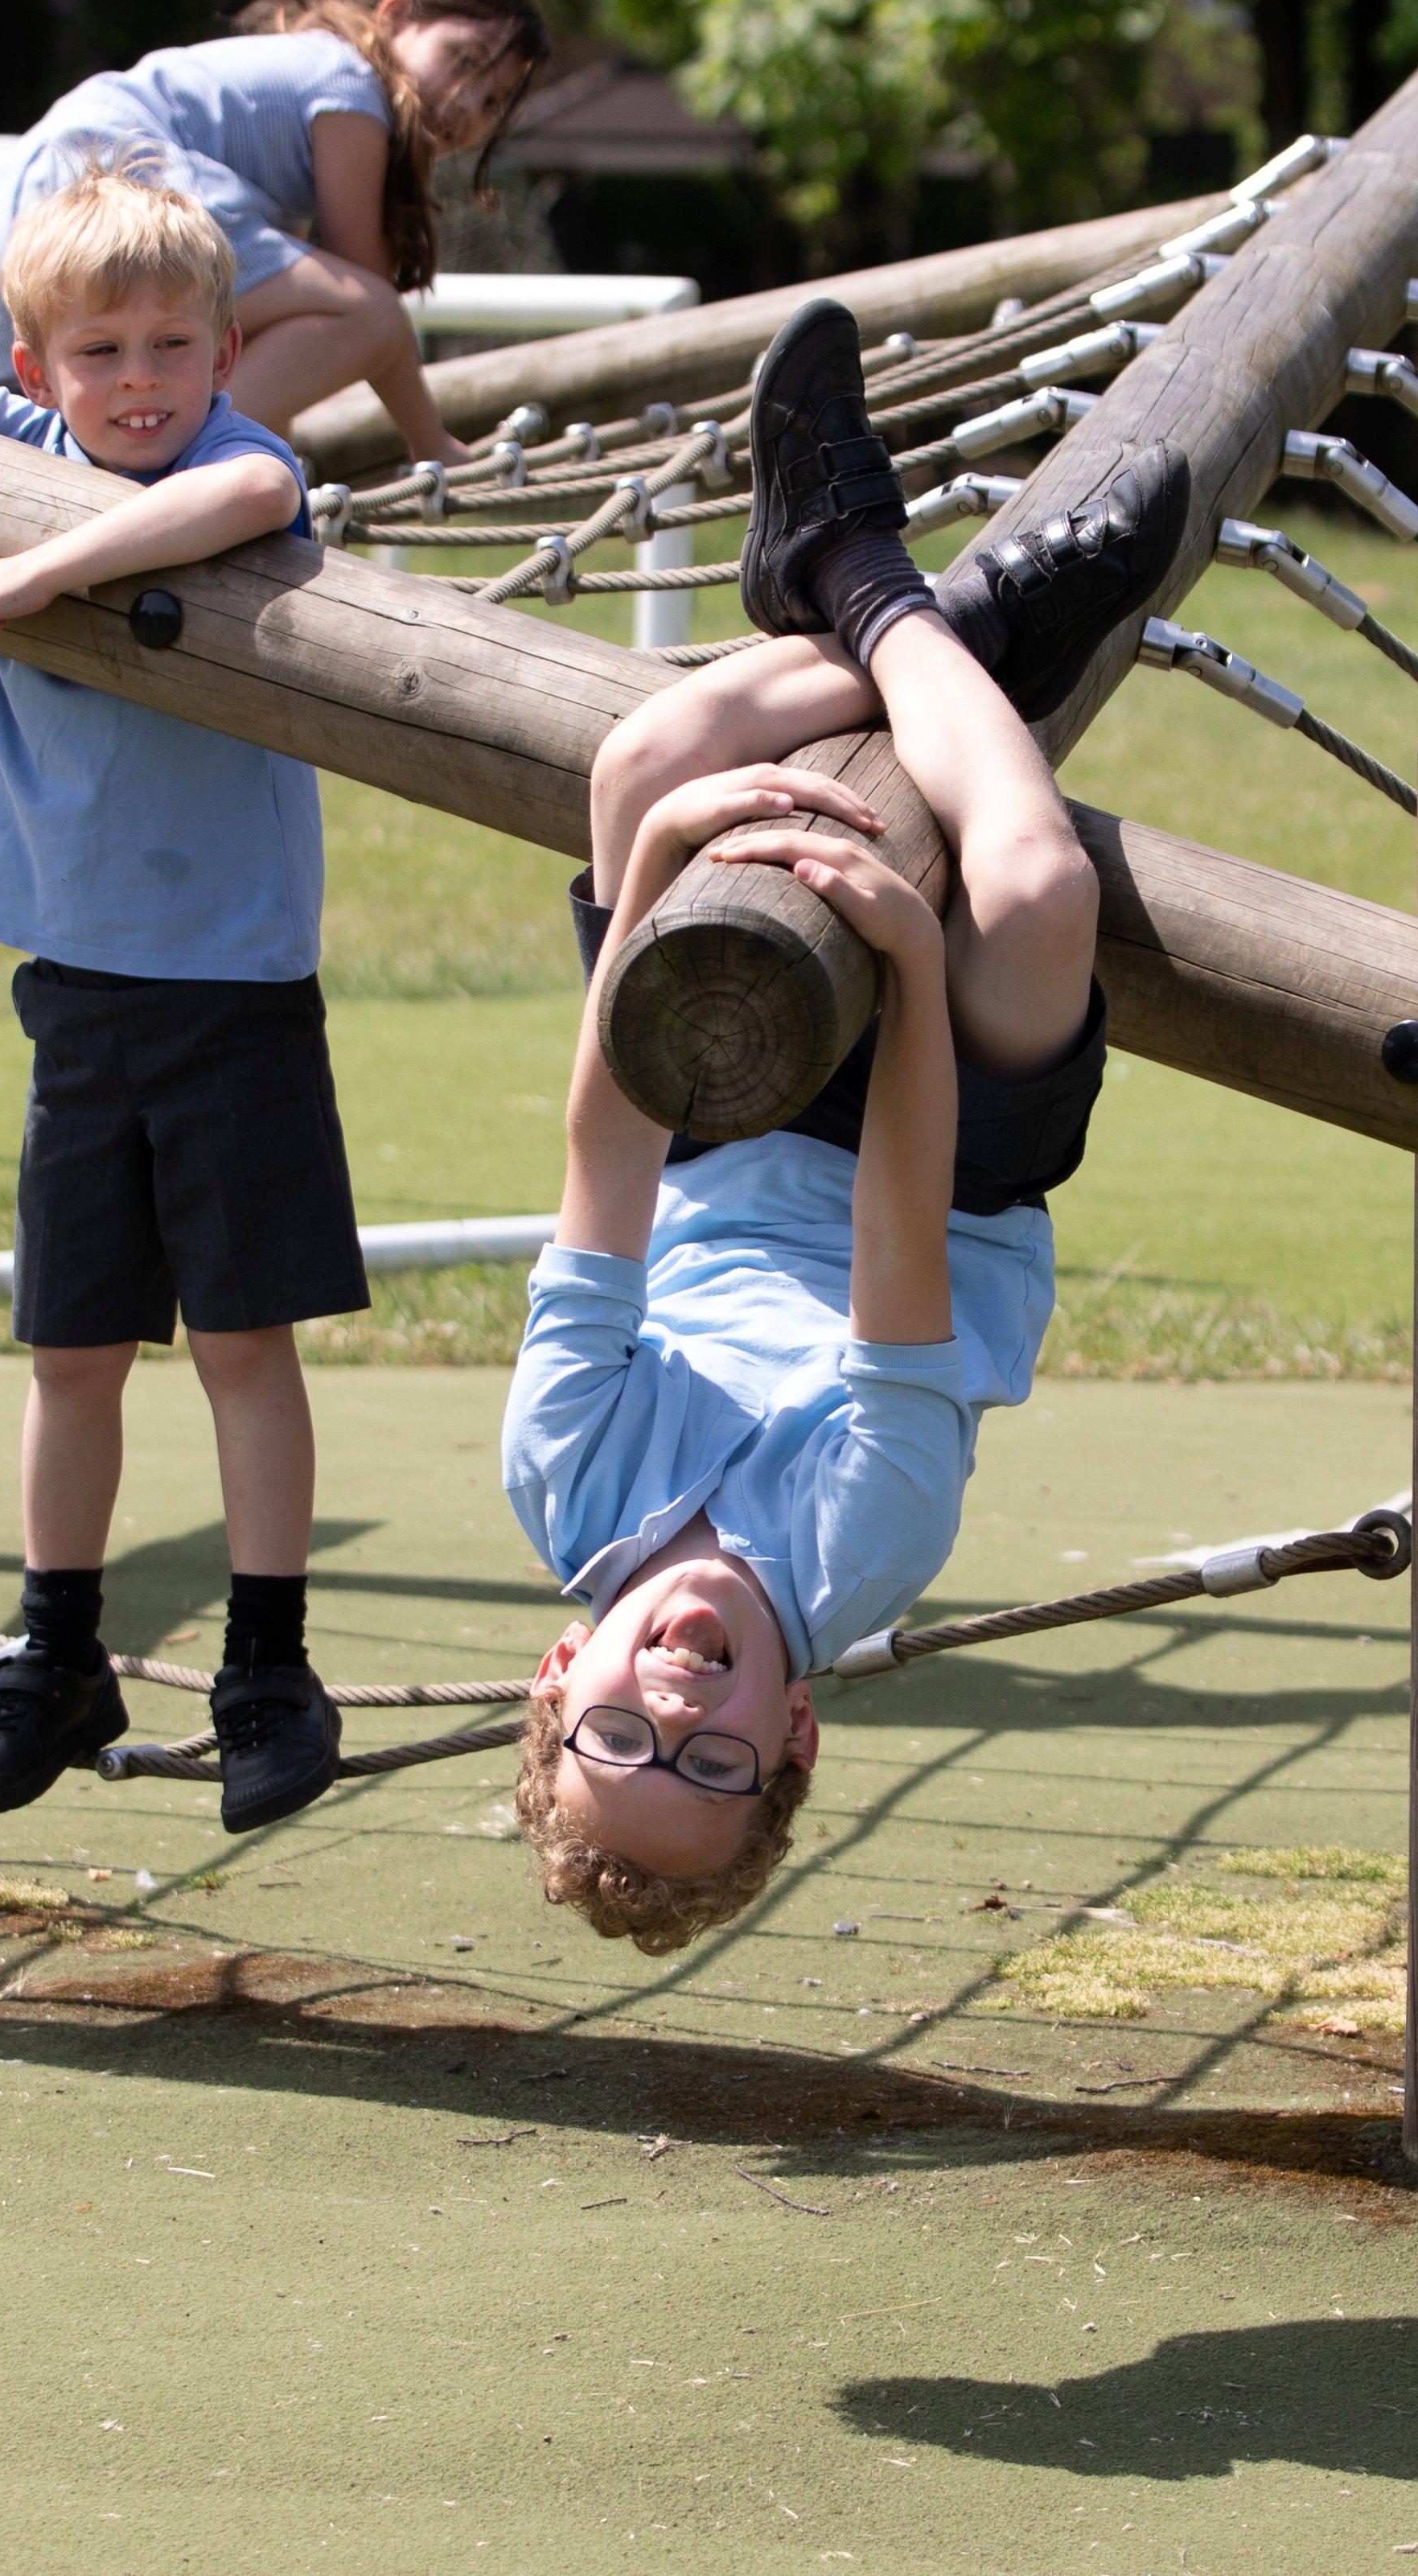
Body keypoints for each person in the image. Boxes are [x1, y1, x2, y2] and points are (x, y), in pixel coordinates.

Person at [496, 299, 1192, 1951]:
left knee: (649, 751)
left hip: (719, 1122)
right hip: (947, 1190)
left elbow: (605, 1164)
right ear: (792, 1735)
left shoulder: (562, 1482)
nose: (672, 1701)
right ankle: (915, 606)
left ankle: (878, 590)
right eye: (713, 1758)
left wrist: (658, 852)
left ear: (559, 1677)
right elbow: (898, 1238)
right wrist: (898, 947)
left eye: (616, 1733)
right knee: (1028, 886)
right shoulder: (859, 1550)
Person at [0, 158, 370, 1836]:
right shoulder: (13, 447)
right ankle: (56, 1649)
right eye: (98, 353)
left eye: (169, 347)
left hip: (233, 991)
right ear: (34, 362)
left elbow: (241, 504)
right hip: (74, 991)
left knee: (240, 1342)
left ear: (220, 351)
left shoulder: (230, 461)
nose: (136, 384)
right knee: (67, 1350)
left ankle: (267, 1664)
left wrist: (38, 575)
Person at [0, 0, 549, 468]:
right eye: (463, 59)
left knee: (48, 427)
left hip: (0, 204)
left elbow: (291, 323)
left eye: (493, 103)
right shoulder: (350, 84)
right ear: (395, 15)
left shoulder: (293, 75)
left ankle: (213, 466)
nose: (467, 101)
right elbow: (369, 301)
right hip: (115, 176)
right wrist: (430, 442)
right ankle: (193, 470)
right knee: (369, 312)